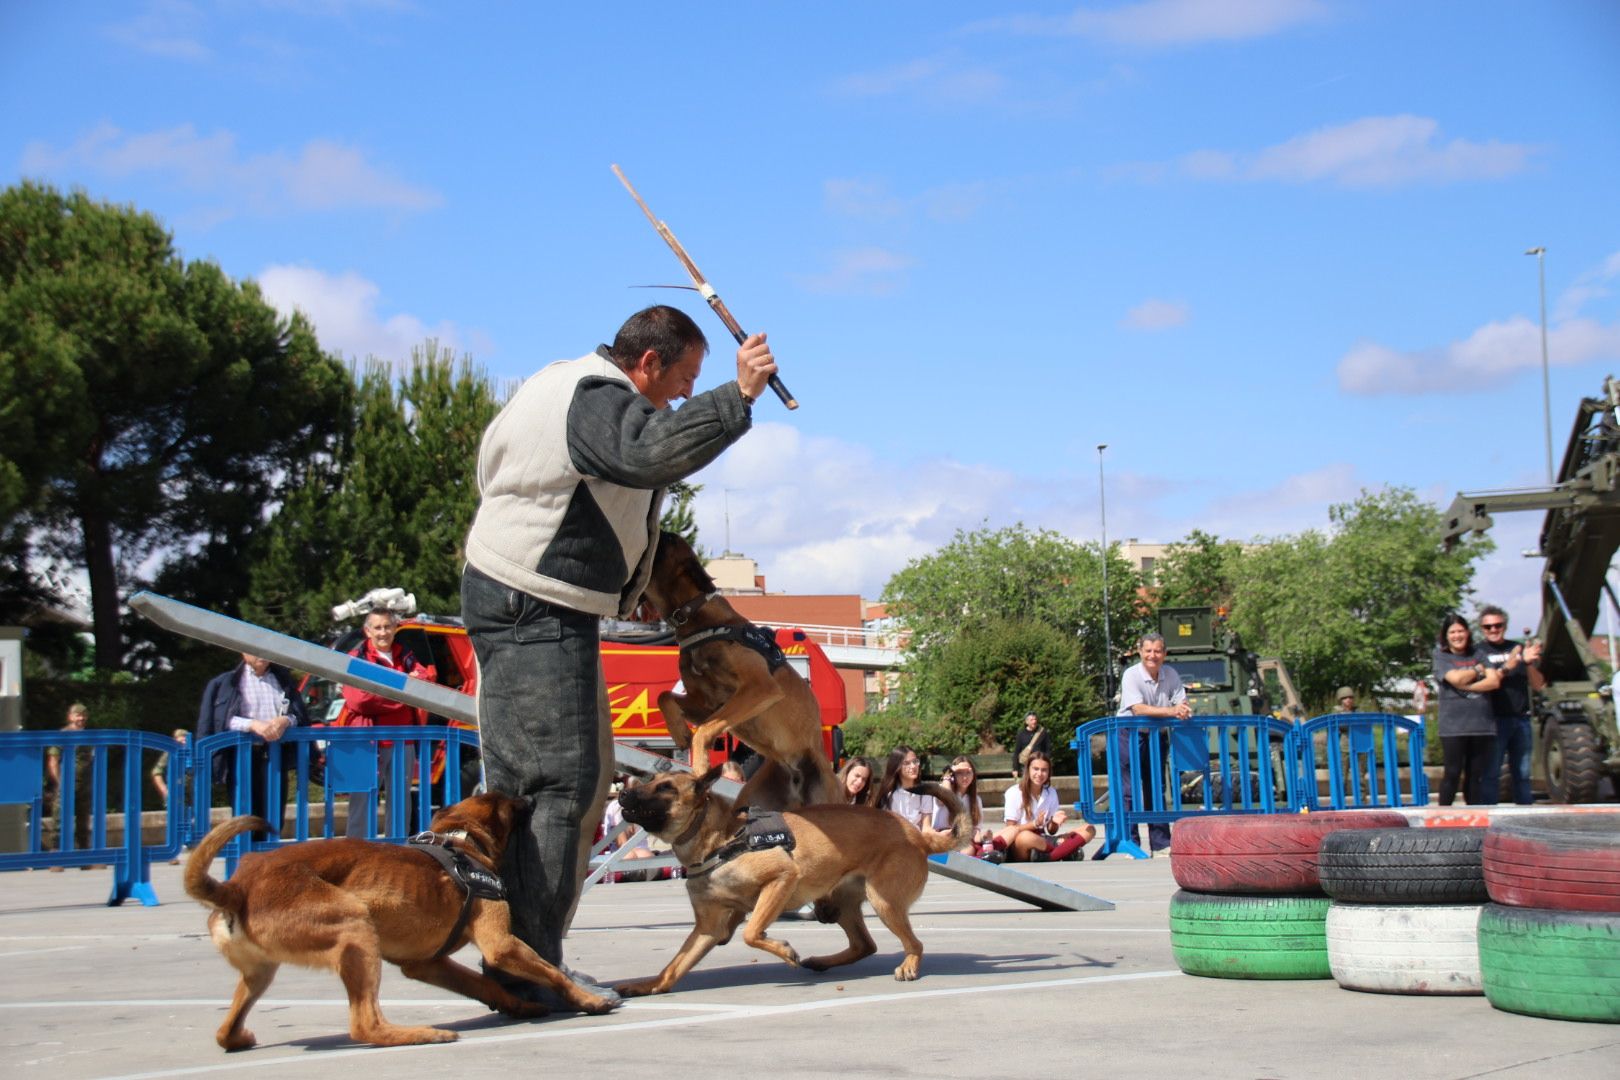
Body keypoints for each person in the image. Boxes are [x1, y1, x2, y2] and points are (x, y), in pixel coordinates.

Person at [460, 304, 774, 1003]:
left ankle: (519, 958)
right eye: (687, 377)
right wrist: (739, 395)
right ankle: (528, 969)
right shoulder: (597, 397)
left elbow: (504, 473)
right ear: (649, 363)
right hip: (532, 603)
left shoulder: (559, 383)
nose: (689, 393)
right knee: (559, 785)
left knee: (563, 779)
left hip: (527, 597)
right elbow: (648, 452)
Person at [339, 609, 435, 837]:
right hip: (368, 741)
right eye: (378, 627)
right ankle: (356, 852)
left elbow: (427, 680)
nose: (383, 632)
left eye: (387, 627)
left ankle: (396, 852)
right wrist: (403, 693)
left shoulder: (406, 654)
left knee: (401, 803)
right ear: (367, 631)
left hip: (404, 741)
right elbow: (358, 700)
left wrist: (381, 691)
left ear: (395, 629)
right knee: (361, 801)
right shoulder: (357, 656)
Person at [195, 653, 309, 838]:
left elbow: (301, 716)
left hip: (275, 757)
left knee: (274, 816)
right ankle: (248, 861)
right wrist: (253, 725)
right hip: (243, 758)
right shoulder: (227, 682)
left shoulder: (283, 680)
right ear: (243, 652)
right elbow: (222, 721)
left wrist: (286, 720)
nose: (262, 654)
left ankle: (268, 862)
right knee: (245, 817)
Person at [1116, 632, 1190, 855]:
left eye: (1157, 651)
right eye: (1148, 651)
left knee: (1156, 787)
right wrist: (1172, 711)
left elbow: (1181, 700)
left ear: (1164, 654)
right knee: (1129, 789)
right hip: (1129, 732)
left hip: (1156, 733)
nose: (1152, 655)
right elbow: (1138, 709)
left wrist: (1184, 708)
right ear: (1140, 652)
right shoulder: (1131, 675)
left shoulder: (1171, 674)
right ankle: (1130, 842)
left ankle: (1160, 843)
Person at [1432, 612, 1502, 805]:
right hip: (1453, 726)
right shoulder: (1441, 655)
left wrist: (1467, 686)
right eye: (1452, 632)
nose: (1457, 635)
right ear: (1446, 635)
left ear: (1468, 632)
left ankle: (1474, 821)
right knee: (1452, 773)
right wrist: (1478, 671)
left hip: (1481, 725)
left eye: (1460, 631)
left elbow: (1494, 681)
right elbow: (1455, 678)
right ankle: (1442, 817)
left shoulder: (1478, 654)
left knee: (1475, 776)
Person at [1478, 605, 1543, 805]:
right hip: (1492, 719)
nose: (1493, 630)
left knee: (1523, 774)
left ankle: (1525, 816)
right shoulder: (1478, 652)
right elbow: (1490, 681)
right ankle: (1488, 818)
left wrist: (1528, 663)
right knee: (1491, 773)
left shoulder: (1518, 649)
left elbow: (1539, 685)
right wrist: (1511, 665)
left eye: (1498, 625)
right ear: (1482, 629)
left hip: (1520, 718)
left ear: (1505, 626)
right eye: (1488, 627)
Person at [992, 751, 1093, 862]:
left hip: (1043, 840)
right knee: (1026, 837)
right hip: (1020, 842)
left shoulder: (1051, 792)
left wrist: (1054, 822)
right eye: (1035, 769)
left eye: (1044, 770)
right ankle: (1063, 852)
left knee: (1089, 829)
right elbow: (1010, 829)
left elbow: (1051, 831)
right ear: (1028, 770)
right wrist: (1034, 824)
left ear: (1049, 772)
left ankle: (1053, 853)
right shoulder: (1014, 792)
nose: (1039, 774)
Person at [44, 703, 93, 863]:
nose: (81, 718)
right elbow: (53, 761)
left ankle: (86, 858)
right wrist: (60, 783)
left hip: (85, 786)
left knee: (83, 823)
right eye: (78, 715)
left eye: (84, 715)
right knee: (59, 822)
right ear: (70, 717)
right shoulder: (62, 735)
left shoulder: (88, 737)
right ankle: (56, 857)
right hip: (66, 785)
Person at [935, 755, 995, 855]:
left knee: (968, 849)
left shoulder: (975, 800)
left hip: (962, 838)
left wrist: (983, 836)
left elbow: (975, 831)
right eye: (959, 773)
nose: (965, 777)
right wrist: (948, 772)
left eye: (968, 772)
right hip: (942, 835)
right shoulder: (944, 788)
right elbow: (943, 798)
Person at [874, 745, 938, 829]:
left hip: (917, 839)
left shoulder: (926, 792)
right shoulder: (888, 794)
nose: (913, 766)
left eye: (915, 761)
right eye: (906, 763)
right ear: (897, 767)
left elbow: (926, 828)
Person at [1011, 712, 1051, 777]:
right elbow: (1016, 751)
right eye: (1031, 720)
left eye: (1035, 719)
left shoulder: (1043, 733)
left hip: (1039, 764)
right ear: (1026, 722)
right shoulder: (1021, 734)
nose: (1034, 721)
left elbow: (1048, 749)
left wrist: (1046, 762)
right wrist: (1015, 768)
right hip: (1026, 765)